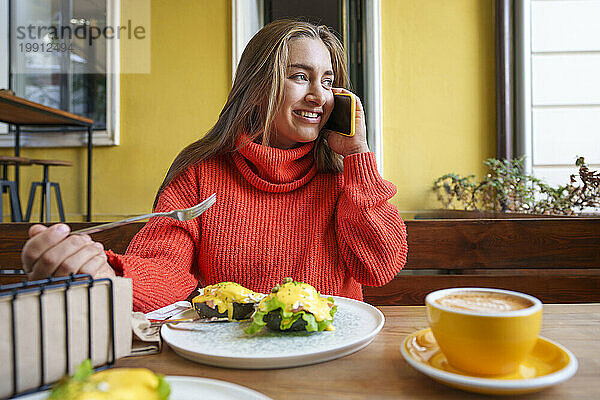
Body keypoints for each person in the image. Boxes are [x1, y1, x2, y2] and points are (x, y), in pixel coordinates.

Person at [21, 20, 408, 313]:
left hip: (332, 354)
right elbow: (167, 270)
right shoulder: (199, 173)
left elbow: (381, 266)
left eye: (327, 81)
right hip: (231, 360)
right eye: (300, 76)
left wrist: (358, 154)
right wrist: (109, 276)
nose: (318, 95)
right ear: (257, 87)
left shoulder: (345, 179)